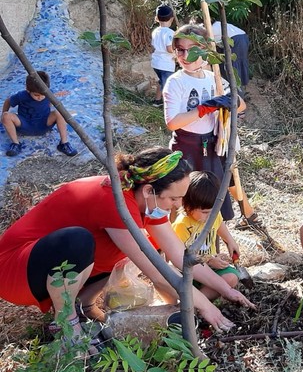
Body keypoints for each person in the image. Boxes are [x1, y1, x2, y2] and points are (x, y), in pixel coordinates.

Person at [0, 146, 255, 350]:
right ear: (149, 190)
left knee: (122, 249)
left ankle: (84, 306)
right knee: (79, 241)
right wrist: (205, 307)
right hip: (15, 269)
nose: (177, 205)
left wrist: (226, 290)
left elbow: (178, 255)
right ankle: (67, 325)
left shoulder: (147, 201)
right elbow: (157, 272)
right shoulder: (114, 200)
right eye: (174, 198)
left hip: (50, 267)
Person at [163, 23, 261, 230]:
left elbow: (241, 105)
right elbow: (172, 122)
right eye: (181, 49)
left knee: (217, 186)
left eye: (193, 50)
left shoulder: (214, 78)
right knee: (181, 192)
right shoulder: (175, 82)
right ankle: (174, 236)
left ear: (206, 52)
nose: (186, 55)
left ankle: (242, 217)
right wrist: (204, 108)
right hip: (186, 147)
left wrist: (228, 101)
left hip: (214, 142)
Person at [172, 171, 240, 297]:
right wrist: (209, 261)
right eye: (204, 212)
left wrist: (230, 241)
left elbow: (219, 224)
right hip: (190, 273)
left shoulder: (213, 215)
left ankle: (199, 298)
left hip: (211, 267)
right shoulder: (182, 225)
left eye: (213, 211)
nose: (210, 216)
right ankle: (194, 303)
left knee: (231, 277)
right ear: (187, 206)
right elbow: (180, 258)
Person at [1, 70, 77, 157]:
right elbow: (8, 101)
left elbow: (50, 102)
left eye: (43, 95)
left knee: (59, 113)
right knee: (6, 116)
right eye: (36, 95)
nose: (40, 98)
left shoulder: (49, 94)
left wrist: (56, 96)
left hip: (44, 124)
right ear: (28, 89)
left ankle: (64, 143)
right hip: (24, 124)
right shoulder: (21, 96)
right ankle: (16, 143)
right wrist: (3, 117)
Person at [212, 21, 250, 96]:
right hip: (243, 37)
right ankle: (239, 91)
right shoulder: (218, 24)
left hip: (236, 40)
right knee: (239, 63)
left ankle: (237, 94)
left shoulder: (213, 28)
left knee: (232, 66)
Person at [150, 4, 176, 107]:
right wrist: (176, 53)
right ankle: (168, 105)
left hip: (156, 63)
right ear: (172, 19)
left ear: (156, 18)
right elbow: (169, 48)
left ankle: (157, 100)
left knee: (161, 81)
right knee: (167, 85)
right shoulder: (170, 33)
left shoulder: (156, 31)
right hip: (166, 64)